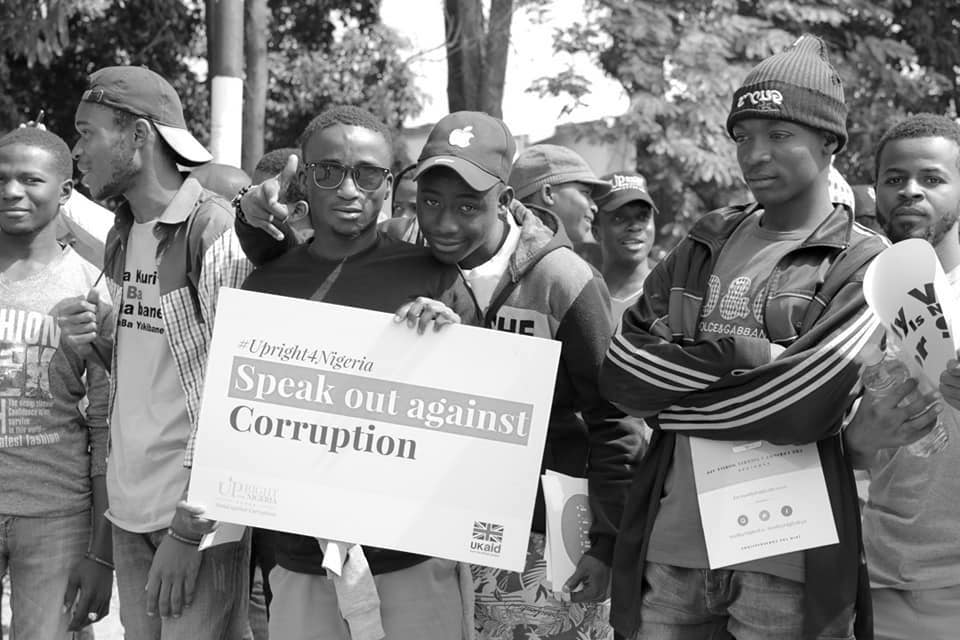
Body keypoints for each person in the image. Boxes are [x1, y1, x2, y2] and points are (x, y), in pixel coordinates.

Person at [237, 110, 641, 640]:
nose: (445, 223)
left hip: (540, 536)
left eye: (468, 205)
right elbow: (312, 266)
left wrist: (607, 543)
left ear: (506, 198)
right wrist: (250, 215)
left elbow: (615, 419)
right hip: (434, 533)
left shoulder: (562, 279)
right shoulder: (410, 250)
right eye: (430, 202)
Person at [599, 34, 887, 639]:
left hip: (786, 564)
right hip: (672, 545)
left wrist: (675, 404)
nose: (755, 154)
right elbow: (622, 371)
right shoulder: (705, 241)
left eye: (779, 135)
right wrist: (750, 356)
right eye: (743, 136)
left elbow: (803, 407)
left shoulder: (865, 262)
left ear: (829, 140)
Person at [234, 105, 479, 640]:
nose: (350, 189)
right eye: (330, 172)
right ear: (304, 180)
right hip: (301, 557)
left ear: (388, 184)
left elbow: (476, 417)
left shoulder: (435, 279)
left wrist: (455, 343)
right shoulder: (265, 289)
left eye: (369, 174)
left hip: (411, 555)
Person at [58, 65, 253, 639]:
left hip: (193, 523)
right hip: (130, 511)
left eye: (86, 131)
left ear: (139, 136)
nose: (75, 149)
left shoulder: (213, 231)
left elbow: (233, 393)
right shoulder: (124, 232)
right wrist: (100, 340)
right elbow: (153, 367)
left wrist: (191, 528)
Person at [844, 113, 960, 639]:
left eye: (932, 179)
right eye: (894, 179)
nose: (911, 191)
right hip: (879, 582)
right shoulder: (852, 304)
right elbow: (851, 452)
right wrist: (858, 439)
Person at [0, 126, 113, 638]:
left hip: (57, 517)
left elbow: (107, 422)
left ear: (65, 192)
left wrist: (100, 551)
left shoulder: (92, 287)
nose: (11, 191)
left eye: (30, 179)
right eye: (1, 179)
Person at [508, 143, 608, 266]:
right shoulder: (568, 272)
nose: (594, 207)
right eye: (586, 193)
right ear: (548, 194)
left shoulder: (493, 254)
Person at [592, 173, 658, 330]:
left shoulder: (670, 295)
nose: (635, 226)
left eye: (643, 216)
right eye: (619, 218)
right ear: (596, 232)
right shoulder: (581, 295)